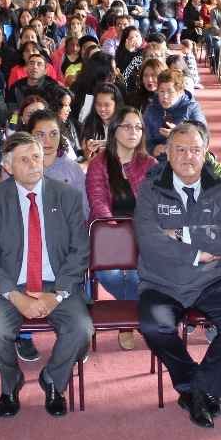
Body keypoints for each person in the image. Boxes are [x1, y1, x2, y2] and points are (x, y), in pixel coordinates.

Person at [135, 122, 221, 429]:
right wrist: (196, 253)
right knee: (153, 325)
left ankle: (197, 390)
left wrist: (179, 234)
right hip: (161, 282)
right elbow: (149, 241)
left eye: (195, 150)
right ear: (168, 153)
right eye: (180, 149)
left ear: (205, 154)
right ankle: (195, 386)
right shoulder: (150, 189)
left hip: (209, 281)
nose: (188, 156)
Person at [0, 133, 93, 418]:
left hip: (57, 283)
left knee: (81, 330)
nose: (33, 164)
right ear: (7, 166)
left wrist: (59, 294)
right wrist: (16, 297)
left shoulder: (67, 196)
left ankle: (53, 380)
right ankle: (11, 381)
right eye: (24, 159)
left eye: (36, 157)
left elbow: (79, 252)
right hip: (9, 285)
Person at [85, 107, 156, 351]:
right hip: (108, 231)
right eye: (126, 126)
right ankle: (133, 315)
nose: (133, 131)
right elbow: (98, 203)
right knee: (109, 274)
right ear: (114, 130)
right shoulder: (99, 163)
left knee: (139, 275)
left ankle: (126, 321)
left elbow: (153, 206)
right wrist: (118, 234)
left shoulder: (150, 164)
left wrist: (138, 232)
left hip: (141, 231)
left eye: (138, 127)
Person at [144, 69, 207, 160]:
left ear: (180, 92)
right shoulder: (151, 110)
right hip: (158, 160)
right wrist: (152, 149)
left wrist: (179, 133)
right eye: (161, 91)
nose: (165, 96)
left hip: (185, 158)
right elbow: (143, 141)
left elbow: (203, 136)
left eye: (170, 92)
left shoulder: (192, 108)